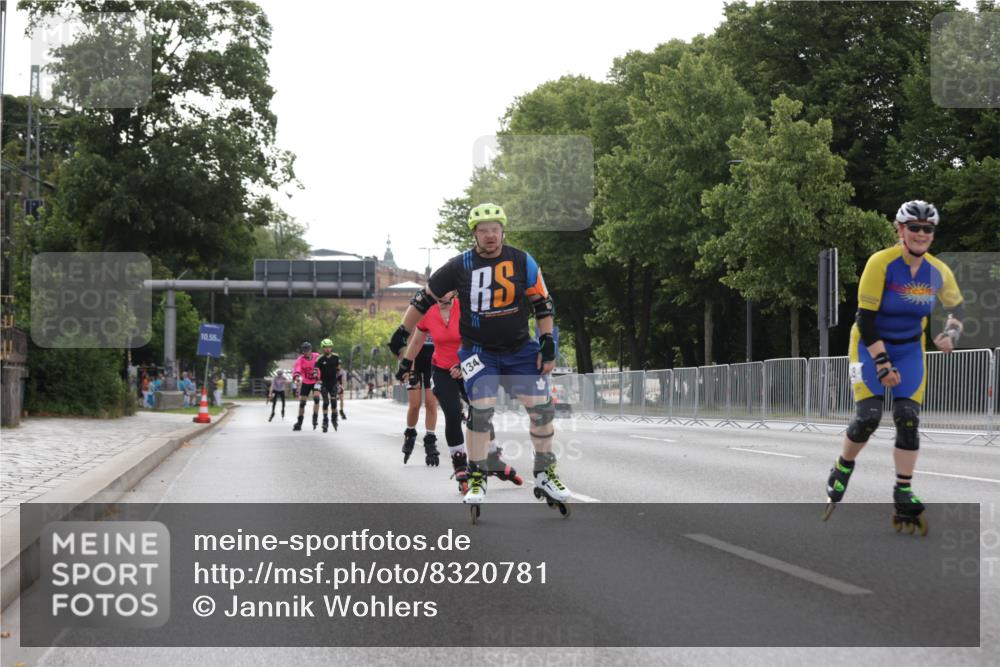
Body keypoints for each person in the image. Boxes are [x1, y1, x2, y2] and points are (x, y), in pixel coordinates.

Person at [389, 203, 569, 518]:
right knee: (481, 409)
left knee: (541, 409)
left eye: (495, 229)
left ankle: (544, 472)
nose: (490, 235)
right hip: (478, 352)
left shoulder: (521, 260)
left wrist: (548, 342)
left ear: (503, 231)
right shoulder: (458, 266)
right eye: (483, 230)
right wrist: (402, 333)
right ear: (474, 233)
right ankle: (476, 474)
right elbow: (422, 300)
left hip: (519, 348)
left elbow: (543, 304)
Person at [823, 200, 964, 534]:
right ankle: (844, 465)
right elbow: (865, 319)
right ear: (900, 230)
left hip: (911, 349)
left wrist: (951, 334)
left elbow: (957, 308)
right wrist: (882, 363)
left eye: (927, 229)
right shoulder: (881, 263)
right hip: (869, 346)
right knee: (869, 416)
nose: (920, 234)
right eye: (913, 228)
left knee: (908, 420)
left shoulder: (938, 271)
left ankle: (903, 491)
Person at [397, 291, 522, 492]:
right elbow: (417, 341)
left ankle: (492, 458)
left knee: (480, 411)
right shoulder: (428, 312)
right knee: (453, 413)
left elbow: (480, 342)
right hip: (441, 369)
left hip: (470, 364)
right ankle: (460, 463)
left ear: (454, 292)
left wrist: (463, 364)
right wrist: (405, 364)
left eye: (444, 290)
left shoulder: (466, 309)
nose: (440, 295)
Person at [393, 319, 441, 466]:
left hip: (433, 362)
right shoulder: (417, 315)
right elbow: (407, 345)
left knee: (431, 403)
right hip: (413, 361)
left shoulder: (440, 314)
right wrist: (410, 370)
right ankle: (410, 433)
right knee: (415, 404)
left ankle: (430, 439)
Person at [292, 341, 321, 431]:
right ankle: (299, 422)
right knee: (302, 403)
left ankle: (315, 418)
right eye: (304, 350)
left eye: (307, 350)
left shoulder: (317, 356)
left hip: (316, 381)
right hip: (306, 381)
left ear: (310, 350)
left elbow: (323, 364)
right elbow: (297, 368)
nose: (306, 352)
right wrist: (296, 376)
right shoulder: (300, 359)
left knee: (316, 399)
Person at [315, 339, 342, 432]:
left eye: (329, 347)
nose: (327, 349)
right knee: (326, 402)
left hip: (333, 382)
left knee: (334, 403)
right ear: (323, 348)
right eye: (325, 347)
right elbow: (316, 371)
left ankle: (334, 418)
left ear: (331, 348)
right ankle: (325, 420)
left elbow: (339, 371)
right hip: (324, 383)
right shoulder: (320, 359)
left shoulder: (336, 357)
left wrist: (340, 383)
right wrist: (317, 379)